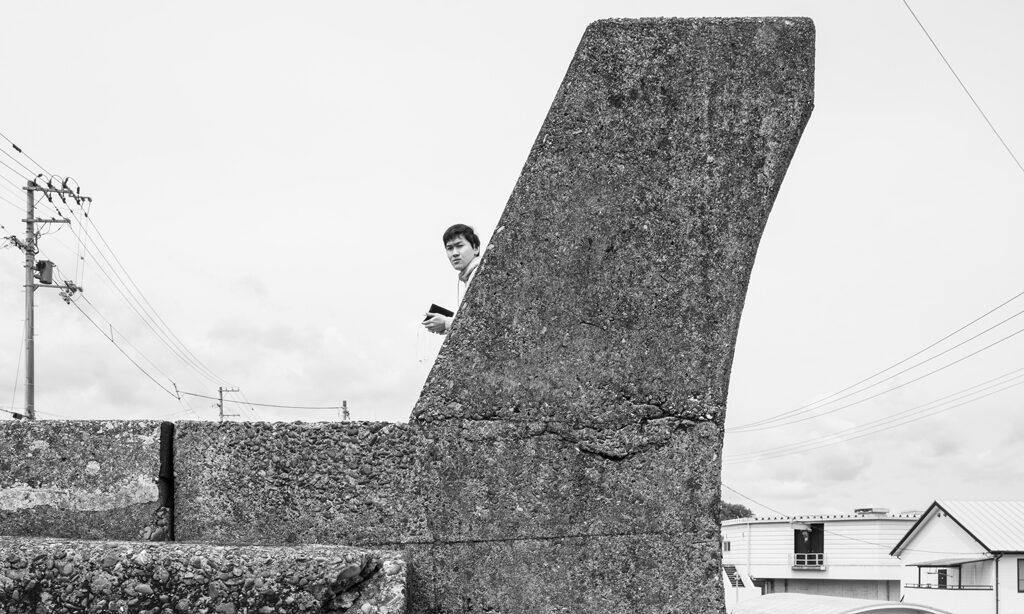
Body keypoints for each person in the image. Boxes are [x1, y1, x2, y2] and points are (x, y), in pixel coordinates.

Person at [423, 223, 480, 335]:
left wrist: (445, 322)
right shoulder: (468, 276)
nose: (454, 253)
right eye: (449, 248)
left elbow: (481, 322)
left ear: (476, 248)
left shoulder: (478, 274)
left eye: (460, 246)